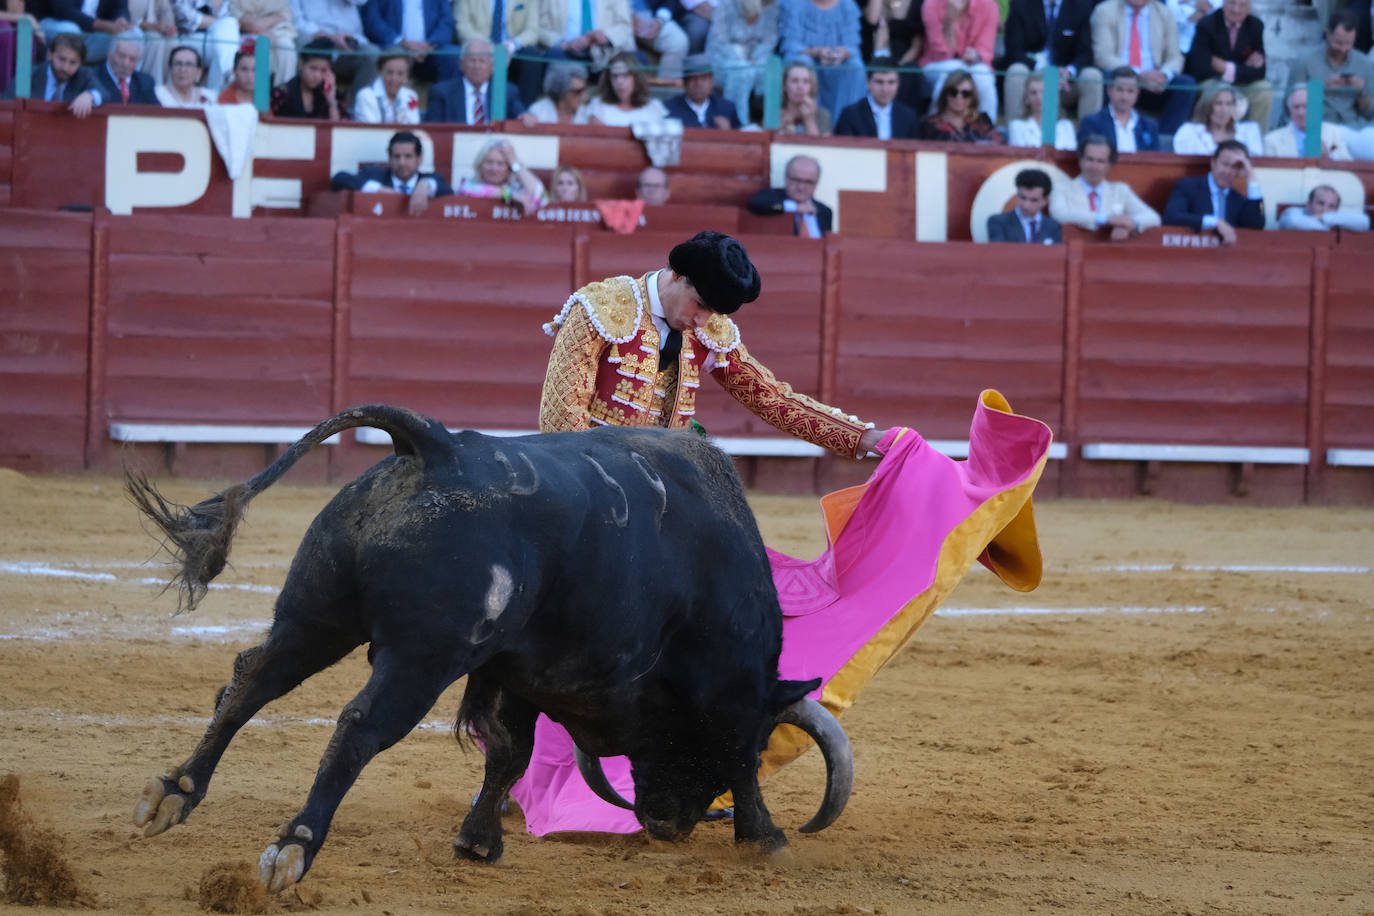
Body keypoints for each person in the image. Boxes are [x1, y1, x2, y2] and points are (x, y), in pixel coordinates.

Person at [517, 231, 1049, 839]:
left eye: (717, 312)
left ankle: (682, 758)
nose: (706, 320)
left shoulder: (709, 330)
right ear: (677, 278)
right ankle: (533, 772)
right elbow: (558, 429)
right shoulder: (598, 313)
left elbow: (769, 397)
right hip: (593, 506)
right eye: (702, 305)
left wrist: (863, 439)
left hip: (667, 510)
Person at [1089, 0, 1198, 134]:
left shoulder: (1164, 13)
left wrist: (1163, 75)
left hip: (1156, 85)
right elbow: (1103, 56)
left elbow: (1175, 57)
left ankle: (1165, 143)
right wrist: (1138, 75)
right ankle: (1105, 136)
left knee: (1186, 84)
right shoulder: (1105, 11)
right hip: (1121, 79)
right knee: (1105, 78)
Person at [1288, 11, 1374, 161]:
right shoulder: (1306, 60)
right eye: (1338, 43)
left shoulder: (1364, 64)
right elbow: (1288, 104)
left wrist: (1361, 93)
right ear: (1327, 33)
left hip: (1353, 128)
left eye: (1348, 43)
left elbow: (1370, 113)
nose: (1343, 49)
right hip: (1317, 125)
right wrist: (1319, 87)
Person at [1002, 0, 1102, 123]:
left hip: (1065, 84)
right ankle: (1014, 132)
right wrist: (1045, 71)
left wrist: (1069, 72)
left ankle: (1088, 138)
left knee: (1092, 76)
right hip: (1033, 77)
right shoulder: (1021, 4)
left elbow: (1086, 54)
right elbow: (1014, 51)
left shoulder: (1080, 6)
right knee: (1016, 71)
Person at [1050, 133, 1162, 239]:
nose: (1094, 166)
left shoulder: (1121, 190)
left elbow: (1153, 217)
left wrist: (1128, 224)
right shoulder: (1061, 188)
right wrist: (1106, 219)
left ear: (1109, 165)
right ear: (1080, 160)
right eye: (1090, 159)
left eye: (1101, 161)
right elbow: (1059, 215)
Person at [1183, 0, 1271, 130]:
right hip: (1213, 82)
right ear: (1223, 4)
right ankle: (1206, 137)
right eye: (1232, 3)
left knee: (1264, 90)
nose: (1236, 10)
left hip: (1240, 83)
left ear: (1249, 8)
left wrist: (1227, 68)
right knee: (1215, 92)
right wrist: (1243, 69)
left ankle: (1257, 140)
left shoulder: (1255, 26)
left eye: (1242, 5)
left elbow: (1260, 72)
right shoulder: (1206, 25)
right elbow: (1200, 68)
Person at [329, 129, 455, 215]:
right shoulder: (374, 176)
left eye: (408, 156)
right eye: (397, 156)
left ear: (419, 159)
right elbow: (339, 179)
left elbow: (448, 191)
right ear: (389, 158)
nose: (402, 162)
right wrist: (378, 189)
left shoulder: (431, 179)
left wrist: (425, 185)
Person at [1162, 138, 1263, 243]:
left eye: (1235, 167)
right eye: (1225, 164)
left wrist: (1251, 178)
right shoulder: (1188, 186)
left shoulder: (1239, 199)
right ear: (1213, 163)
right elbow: (1171, 217)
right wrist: (1215, 222)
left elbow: (1257, 224)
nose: (1228, 171)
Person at [778, 0, 866, 118]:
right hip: (807, 56)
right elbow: (791, 43)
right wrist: (816, 52)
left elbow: (852, 44)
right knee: (802, 64)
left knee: (855, 67)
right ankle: (805, 120)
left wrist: (843, 52)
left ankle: (846, 123)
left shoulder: (847, 5)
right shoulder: (795, 4)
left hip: (836, 63)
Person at [918, 0, 998, 119]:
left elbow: (985, 51)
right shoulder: (931, 4)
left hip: (973, 66)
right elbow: (942, 54)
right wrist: (949, 21)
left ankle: (987, 131)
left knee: (983, 76)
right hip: (935, 65)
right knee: (953, 69)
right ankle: (935, 126)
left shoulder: (989, 5)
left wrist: (976, 55)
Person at [424, 38, 532, 124]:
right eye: (472, 60)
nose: (477, 66)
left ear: (492, 66)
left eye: (482, 61)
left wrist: (526, 116)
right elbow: (433, 129)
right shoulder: (441, 92)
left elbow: (521, 115)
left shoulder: (507, 92)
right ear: (461, 64)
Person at [706, 0, 779, 125]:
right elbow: (719, 43)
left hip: (755, 59)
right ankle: (738, 123)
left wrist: (755, 58)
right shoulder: (726, 5)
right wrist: (743, 59)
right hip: (724, 60)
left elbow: (769, 40)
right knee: (742, 72)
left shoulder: (772, 6)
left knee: (773, 68)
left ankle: (767, 123)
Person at [290, 0, 381, 95]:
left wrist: (344, 40)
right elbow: (296, 21)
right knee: (300, 42)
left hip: (348, 42)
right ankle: (297, 99)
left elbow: (361, 1)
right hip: (315, 42)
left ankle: (358, 106)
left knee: (373, 52)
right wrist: (330, 38)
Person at [1, 32, 97, 116]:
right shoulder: (30, 74)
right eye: (62, 59)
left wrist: (90, 95)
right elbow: (6, 101)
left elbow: (104, 93)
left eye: (73, 62)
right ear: (49, 55)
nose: (65, 68)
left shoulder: (84, 75)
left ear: (80, 63)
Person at [361, 0, 458, 82]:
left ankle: (444, 100)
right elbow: (372, 20)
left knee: (453, 56)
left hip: (430, 49)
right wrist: (402, 42)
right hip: (395, 46)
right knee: (394, 56)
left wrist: (428, 45)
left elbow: (447, 22)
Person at [860, 0, 928, 112]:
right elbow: (872, 20)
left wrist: (896, 66)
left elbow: (916, 47)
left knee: (910, 73)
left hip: (904, 60)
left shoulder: (916, 4)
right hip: (876, 56)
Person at [1077, 66, 1161, 152]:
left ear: (1137, 93)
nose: (1124, 97)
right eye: (1119, 90)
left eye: (1130, 91)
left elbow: (1155, 160)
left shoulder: (1149, 125)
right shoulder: (1091, 123)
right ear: (1109, 90)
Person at [746, 153, 832, 236]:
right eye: (796, 180)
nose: (801, 187)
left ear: (816, 183)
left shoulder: (824, 211)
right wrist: (794, 208)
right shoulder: (772, 197)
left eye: (808, 182)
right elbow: (757, 203)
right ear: (786, 178)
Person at [537, 0, 636, 69]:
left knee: (637, 59)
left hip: (603, 52)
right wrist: (564, 44)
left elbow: (625, 25)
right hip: (565, 51)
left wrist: (606, 36)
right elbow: (539, 28)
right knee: (554, 55)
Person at [457, 138, 547, 213]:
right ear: (480, 165)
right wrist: (510, 195)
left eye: (500, 164)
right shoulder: (468, 185)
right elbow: (471, 190)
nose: (494, 168)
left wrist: (514, 161)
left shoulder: (515, 190)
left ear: (509, 169)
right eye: (489, 162)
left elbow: (538, 193)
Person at [1262, 86, 1352, 160]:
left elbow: (1348, 164)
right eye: (1296, 107)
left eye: (1306, 106)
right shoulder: (1271, 140)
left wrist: (1328, 158)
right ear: (1290, 111)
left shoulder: (1334, 133)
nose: (1301, 112)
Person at [582, 51, 668, 127]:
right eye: (614, 76)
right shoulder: (598, 107)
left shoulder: (653, 107)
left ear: (637, 77)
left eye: (625, 75)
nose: (619, 81)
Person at [34, 0, 138, 63]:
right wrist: (103, 25)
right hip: (53, 23)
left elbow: (121, 8)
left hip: (94, 34)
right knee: (71, 31)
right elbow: (64, 11)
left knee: (134, 35)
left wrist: (120, 21)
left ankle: (126, 88)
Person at [916, 67, 1001, 142]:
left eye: (965, 93)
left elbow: (997, 147)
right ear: (946, 94)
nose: (958, 97)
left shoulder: (982, 122)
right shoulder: (930, 125)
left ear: (972, 96)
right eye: (953, 92)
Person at [1172, 84, 1262, 155]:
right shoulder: (1189, 132)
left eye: (1229, 104)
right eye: (1218, 103)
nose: (1224, 110)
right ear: (1207, 106)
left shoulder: (1248, 132)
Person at [169, 0, 239, 90]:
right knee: (226, 31)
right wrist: (220, 22)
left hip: (214, 40)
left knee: (221, 49)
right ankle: (229, 73)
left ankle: (213, 95)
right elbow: (185, 18)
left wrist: (222, 23)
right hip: (186, 37)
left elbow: (227, 20)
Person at [833, 65, 917, 138]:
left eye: (891, 82)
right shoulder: (850, 115)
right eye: (879, 82)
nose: (885, 89)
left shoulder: (908, 116)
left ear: (898, 84)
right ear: (868, 83)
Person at [665, 54, 742, 128]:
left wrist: (728, 132)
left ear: (711, 81)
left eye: (704, 78)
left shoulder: (726, 108)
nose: (699, 83)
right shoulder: (669, 109)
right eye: (693, 78)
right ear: (685, 83)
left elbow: (741, 137)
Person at [269, 37, 340, 117]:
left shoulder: (325, 98)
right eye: (313, 68)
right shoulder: (281, 94)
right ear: (301, 64)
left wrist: (332, 103)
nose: (317, 76)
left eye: (323, 70)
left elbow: (338, 128)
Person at [987, 168, 1062, 243]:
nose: (1026, 205)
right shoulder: (998, 222)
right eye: (1023, 198)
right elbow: (999, 252)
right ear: (1017, 194)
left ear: (1045, 200)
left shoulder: (1054, 226)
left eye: (1034, 200)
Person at [232, 0, 298, 85]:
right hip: (243, 32)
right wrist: (258, 28)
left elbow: (286, 14)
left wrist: (264, 25)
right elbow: (235, 15)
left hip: (276, 30)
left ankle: (282, 92)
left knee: (286, 47)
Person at [1007, 71, 1077, 149]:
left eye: (1044, 92)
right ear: (1027, 98)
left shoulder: (1066, 126)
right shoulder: (1017, 126)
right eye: (1033, 93)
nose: (1039, 97)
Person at [353, 50, 420, 122]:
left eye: (400, 73)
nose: (394, 78)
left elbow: (413, 125)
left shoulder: (411, 96)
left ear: (407, 76)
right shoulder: (365, 96)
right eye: (389, 72)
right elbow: (371, 130)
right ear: (380, 72)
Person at [631, 0, 689, 81]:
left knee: (677, 42)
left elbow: (669, 2)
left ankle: (666, 89)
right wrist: (626, 18)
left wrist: (659, 20)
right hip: (616, 20)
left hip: (650, 17)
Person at [127, 0, 179, 87]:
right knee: (156, 40)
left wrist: (167, 26)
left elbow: (166, 12)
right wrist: (153, 27)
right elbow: (130, 17)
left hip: (156, 30)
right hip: (135, 30)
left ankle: (169, 90)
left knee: (173, 42)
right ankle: (154, 87)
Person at [94, 36, 160, 103]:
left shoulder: (145, 82)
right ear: (109, 54)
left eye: (132, 59)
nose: (125, 64)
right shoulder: (92, 77)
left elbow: (158, 112)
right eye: (121, 56)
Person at [1276, 185, 1370, 231]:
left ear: (1336, 209)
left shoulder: (1333, 218)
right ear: (1308, 204)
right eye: (1321, 203)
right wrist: (1331, 227)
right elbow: (1293, 222)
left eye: (1331, 206)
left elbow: (1364, 222)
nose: (1325, 210)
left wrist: (1324, 218)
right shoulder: (1293, 212)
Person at [776, 61, 830, 135]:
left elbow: (822, 145)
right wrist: (782, 123)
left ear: (812, 86)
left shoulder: (822, 115)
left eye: (806, 81)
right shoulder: (775, 114)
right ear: (784, 86)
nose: (800, 86)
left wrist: (809, 120)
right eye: (794, 81)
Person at [527, 62, 592, 123]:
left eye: (584, 90)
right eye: (578, 92)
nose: (584, 96)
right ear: (561, 92)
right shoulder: (538, 111)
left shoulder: (587, 116)